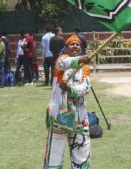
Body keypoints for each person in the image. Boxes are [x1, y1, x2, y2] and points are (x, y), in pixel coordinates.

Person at [43, 34, 91, 168]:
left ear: (81, 49)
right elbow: (65, 64)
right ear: (66, 48)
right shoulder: (61, 61)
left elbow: (86, 87)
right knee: (54, 154)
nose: (75, 46)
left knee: (81, 152)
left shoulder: (85, 68)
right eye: (72, 44)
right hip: (59, 116)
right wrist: (80, 59)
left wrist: (71, 89)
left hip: (79, 116)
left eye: (78, 44)